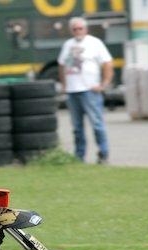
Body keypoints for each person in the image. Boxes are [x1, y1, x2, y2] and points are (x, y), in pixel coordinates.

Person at [58, 16, 113, 164]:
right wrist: (64, 85)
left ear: (86, 29)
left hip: (90, 91)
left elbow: (108, 63)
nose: (78, 31)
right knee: (77, 127)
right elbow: (61, 65)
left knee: (97, 124)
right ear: (71, 30)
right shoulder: (67, 44)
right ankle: (79, 156)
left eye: (80, 28)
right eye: (74, 29)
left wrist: (104, 84)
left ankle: (103, 153)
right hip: (72, 91)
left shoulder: (95, 43)